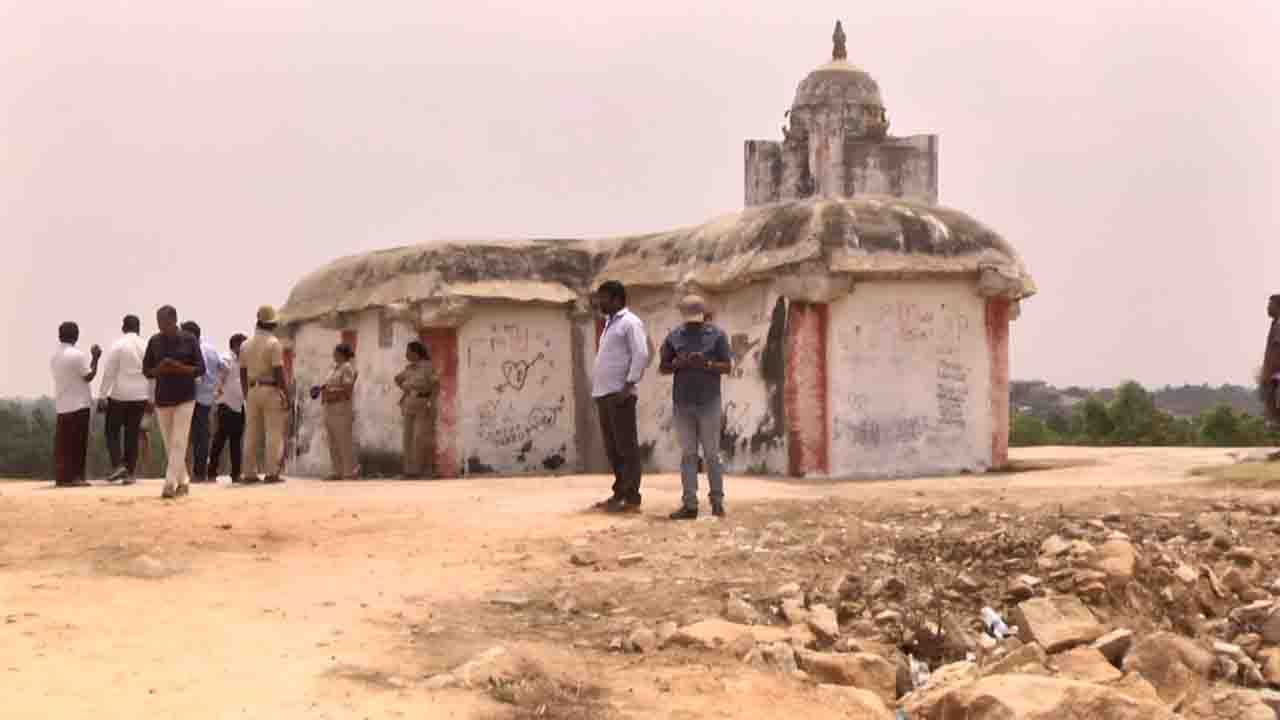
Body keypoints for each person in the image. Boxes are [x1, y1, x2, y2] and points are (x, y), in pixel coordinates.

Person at [659, 295, 733, 519]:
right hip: (683, 403)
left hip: (708, 401)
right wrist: (679, 364)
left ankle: (716, 502)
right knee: (690, 455)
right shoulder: (673, 337)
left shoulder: (717, 336)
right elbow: (663, 367)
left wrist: (707, 364)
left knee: (710, 455)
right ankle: (691, 505)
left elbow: (727, 366)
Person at [590, 280, 651, 513]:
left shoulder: (630, 322)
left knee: (626, 447)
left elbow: (641, 353)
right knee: (613, 448)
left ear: (616, 299)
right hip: (604, 394)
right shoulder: (609, 324)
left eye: (603, 297)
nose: (599, 301)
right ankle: (619, 493)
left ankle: (632, 497)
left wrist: (628, 385)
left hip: (620, 394)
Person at [142, 305, 206, 499]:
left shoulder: (189, 340)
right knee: (170, 443)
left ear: (174, 320)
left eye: (164, 322)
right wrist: (159, 369)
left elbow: (200, 369)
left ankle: (169, 483)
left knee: (179, 440)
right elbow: (146, 371)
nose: (161, 326)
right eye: (158, 322)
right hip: (163, 399)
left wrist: (179, 367)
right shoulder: (154, 342)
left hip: (185, 397)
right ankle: (184, 480)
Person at [239, 306, 289, 484]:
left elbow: (242, 373)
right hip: (271, 390)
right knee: (273, 433)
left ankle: (249, 473)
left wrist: (246, 393)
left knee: (251, 433)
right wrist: (285, 394)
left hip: (252, 390)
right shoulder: (274, 343)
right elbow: (279, 372)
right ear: (272, 324)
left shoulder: (245, 344)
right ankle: (271, 472)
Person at [97, 314, 149, 485]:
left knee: (111, 430)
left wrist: (103, 395)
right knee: (132, 433)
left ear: (123, 327)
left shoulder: (118, 345)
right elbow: (152, 373)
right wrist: (152, 397)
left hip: (120, 395)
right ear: (138, 328)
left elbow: (109, 372)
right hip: (141, 395)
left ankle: (118, 464)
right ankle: (130, 473)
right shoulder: (146, 345)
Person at [50, 322, 101, 487]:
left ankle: (62, 477)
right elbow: (88, 376)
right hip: (79, 404)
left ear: (60, 336)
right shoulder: (77, 355)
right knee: (78, 443)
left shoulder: (55, 356)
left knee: (64, 444)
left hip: (62, 404)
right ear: (76, 335)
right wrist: (95, 358)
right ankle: (76, 477)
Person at [179, 321, 224, 483]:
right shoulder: (211, 349)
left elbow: (197, 377)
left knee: (186, 436)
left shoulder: (194, 350)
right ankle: (199, 472)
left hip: (192, 397)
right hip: (207, 399)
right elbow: (223, 367)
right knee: (202, 436)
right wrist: (219, 386)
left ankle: (191, 473)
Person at [394, 341, 437, 479]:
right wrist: (405, 388)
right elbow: (397, 379)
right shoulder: (408, 368)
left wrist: (431, 401)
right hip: (408, 403)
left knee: (420, 437)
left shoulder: (427, 367)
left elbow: (435, 384)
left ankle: (422, 470)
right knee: (407, 438)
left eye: (409, 351)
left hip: (423, 403)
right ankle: (409, 471)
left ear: (416, 352)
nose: (406, 354)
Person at [316, 343, 359, 480]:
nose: (333, 354)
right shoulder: (333, 368)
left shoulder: (347, 368)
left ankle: (349, 471)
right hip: (329, 407)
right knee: (332, 441)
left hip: (341, 407)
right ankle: (337, 471)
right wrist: (321, 390)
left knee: (344, 440)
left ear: (341, 353)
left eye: (335, 352)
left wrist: (330, 392)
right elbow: (328, 385)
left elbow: (347, 389)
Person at [208, 333, 247, 483]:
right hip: (226, 404)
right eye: (243, 345)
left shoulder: (242, 360)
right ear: (236, 345)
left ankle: (235, 473)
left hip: (238, 404)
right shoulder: (227, 357)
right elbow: (222, 370)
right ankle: (212, 471)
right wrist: (218, 390)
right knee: (220, 440)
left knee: (235, 440)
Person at [1264, 295, 1280, 429]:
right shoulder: (1275, 323)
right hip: (1274, 369)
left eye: (1271, 305)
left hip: (1277, 370)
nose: (1268, 308)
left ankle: (1274, 420)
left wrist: (1273, 371)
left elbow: (1277, 349)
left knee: (1271, 392)